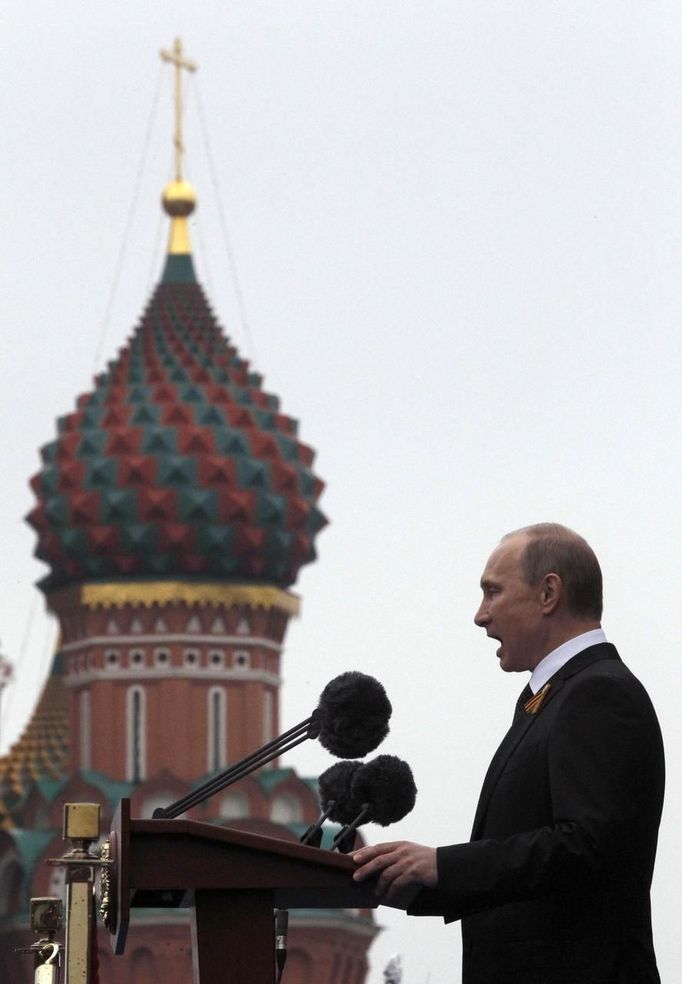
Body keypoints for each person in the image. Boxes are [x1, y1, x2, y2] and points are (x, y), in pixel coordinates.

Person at [353, 523, 665, 983]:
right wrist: (418, 885)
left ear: (548, 593)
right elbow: (530, 873)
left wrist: (445, 865)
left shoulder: (598, 693)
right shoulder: (549, 698)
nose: (480, 616)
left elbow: (587, 846)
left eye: (493, 592)